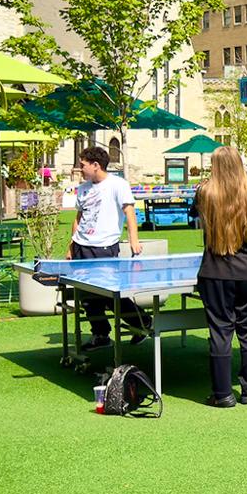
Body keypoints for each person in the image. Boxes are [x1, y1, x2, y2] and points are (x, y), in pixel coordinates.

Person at [194, 145, 247, 407]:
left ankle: (223, 395)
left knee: (221, 331)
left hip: (215, 271)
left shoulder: (204, 193)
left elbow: (198, 220)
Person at [70, 144, 146, 352]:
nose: (80, 168)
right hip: (81, 247)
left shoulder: (118, 185)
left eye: (83, 165)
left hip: (104, 248)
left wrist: (134, 239)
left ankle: (142, 323)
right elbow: (79, 217)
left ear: (96, 165)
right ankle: (100, 334)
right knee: (87, 297)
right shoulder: (83, 188)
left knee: (109, 295)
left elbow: (129, 212)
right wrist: (71, 244)